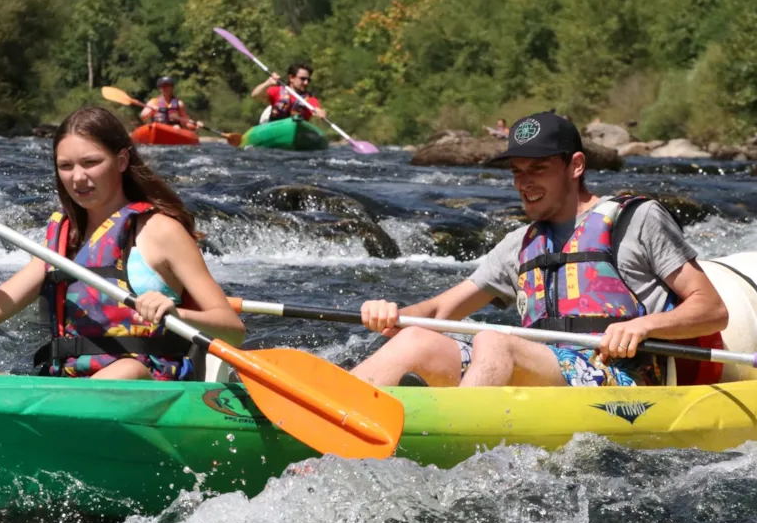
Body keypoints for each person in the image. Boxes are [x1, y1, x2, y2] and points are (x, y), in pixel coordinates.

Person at [352, 111, 728, 388]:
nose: (524, 183)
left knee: (494, 341)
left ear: (575, 165)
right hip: (539, 371)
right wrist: (394, 316)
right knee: (417, 338)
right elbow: (439, 312)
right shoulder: (520, 244)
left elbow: (711, 309)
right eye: (517, 171)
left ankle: (457, 441)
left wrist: (643, 326)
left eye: (538, 169)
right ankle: (326, 422)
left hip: (620, 378)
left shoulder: (638, 220)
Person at [0, 106, 245, 380]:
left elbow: (231, 328)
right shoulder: (64, 242)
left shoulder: (160, 230)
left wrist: (175, 314)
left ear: (120, 161)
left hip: (145, 387)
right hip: (68, 387)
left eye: (91, 163)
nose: (78, 177)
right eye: (66, 166)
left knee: (126, 370)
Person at [250, 63, 327, 124]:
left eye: (308, 80)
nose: (306, 82)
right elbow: (255, 95)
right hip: (275, 126)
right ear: (291, 78)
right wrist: (268, 83)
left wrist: (320, 113)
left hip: (297, 131)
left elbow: (317, 110)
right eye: (302, 79)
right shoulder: (277, 91)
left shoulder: (310, 100)